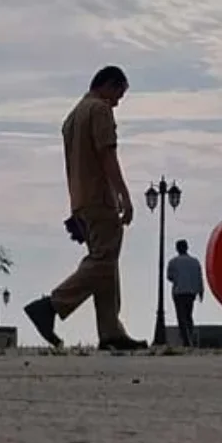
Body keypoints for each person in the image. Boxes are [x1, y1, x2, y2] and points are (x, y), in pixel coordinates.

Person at [24, 66, 147, 351]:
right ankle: (51, 305)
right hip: (100, 197)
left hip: (80, 198)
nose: (117, 102)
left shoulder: (72, 116)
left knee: (104, 261)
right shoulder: (99, 111)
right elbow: (107, 156)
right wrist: (124, 196)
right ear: (108, 85)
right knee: (103, 260)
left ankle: (110, 330)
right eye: (118, 94)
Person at [166, 239, 204, 346]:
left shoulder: (173, 262)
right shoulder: (195, 261)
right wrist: (201, 292)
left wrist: (178, 279)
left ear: (177, 248)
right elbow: (199, 277)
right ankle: (189, 336)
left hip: (178, 291)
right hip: (191, 292)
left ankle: (186, 340)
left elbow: (169, 277)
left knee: (181, 316)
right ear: (187, 247)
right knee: (188, 315)